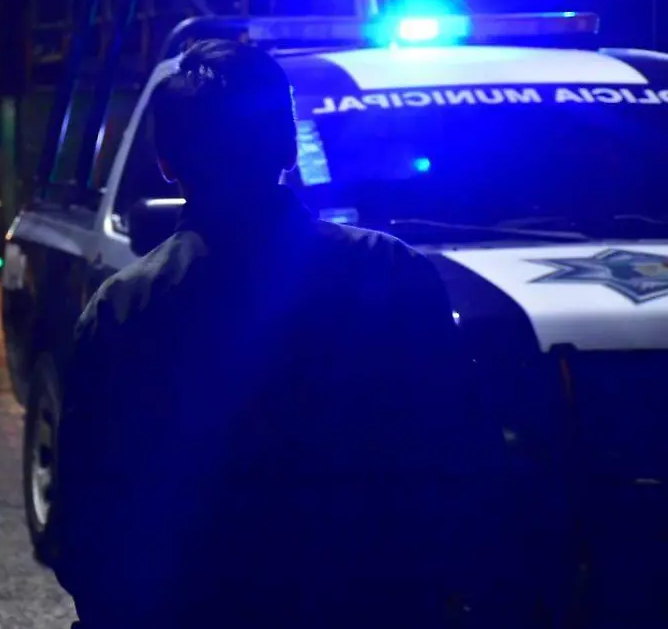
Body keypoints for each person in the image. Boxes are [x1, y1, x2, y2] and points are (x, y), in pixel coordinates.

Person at [48, 40, 546, 628]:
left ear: (167, 162)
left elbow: (87, 519)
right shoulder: (392, 275)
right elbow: (465, 465)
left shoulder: (125, 309)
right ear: (288, 147)